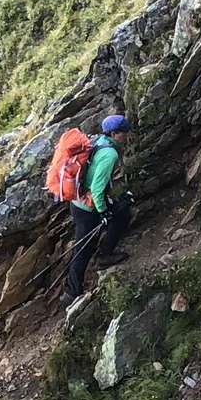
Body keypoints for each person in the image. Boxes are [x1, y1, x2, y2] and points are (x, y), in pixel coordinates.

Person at [65, 114, 132, 301]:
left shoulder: (99, 141)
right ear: (114, 133)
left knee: (122, 215)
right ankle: (71, 292)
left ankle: (104, 254)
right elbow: (97, 188)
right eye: (123, 133)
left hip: (78, 201)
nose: (126, 136)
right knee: (83, 248)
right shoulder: (110, 154)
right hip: (88, 206)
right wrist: (103, 212)